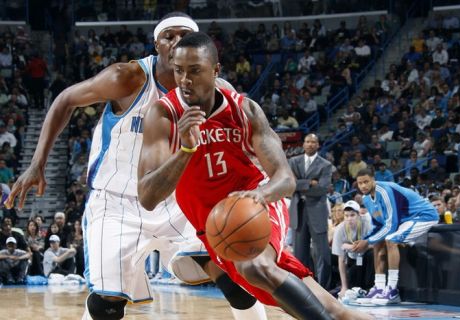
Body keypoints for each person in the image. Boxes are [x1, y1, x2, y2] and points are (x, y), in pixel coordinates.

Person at [5, 12, 266, 320]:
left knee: (234, 279)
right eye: (169, 36)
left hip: (176, 200)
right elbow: (65, 100)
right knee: (106, 304)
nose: (177, 42)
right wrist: (37, 163)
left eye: (185, 36)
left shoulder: (215, 90)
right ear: (156, 44)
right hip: (116, 202)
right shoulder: (127, 78)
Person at [138, 31, 372, 320]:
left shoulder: (244, 110)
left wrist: (260, 196)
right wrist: (186, 148)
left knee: (253, 266)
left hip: (256, 203)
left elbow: (285, 179)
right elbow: (147, 197)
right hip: (215, 227)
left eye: (194, 71)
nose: (184, 80)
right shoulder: (163, 115)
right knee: (330, 308)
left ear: (215, 71)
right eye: (178, 71)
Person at [352, 168, 438, 304]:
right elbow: (379, 225)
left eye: (366, 182)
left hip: (423, 215)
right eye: (360, 183)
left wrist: (366, 241)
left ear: (373, 180)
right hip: (406, 220)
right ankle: (379, 287)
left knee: (391, 239)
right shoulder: (366, 198)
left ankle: (392, 290)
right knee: (377, 241)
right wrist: (368, 240)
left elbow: (392, 224)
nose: (363, 186)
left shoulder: (385, 191)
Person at [288, 133, 333, 288]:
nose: (310, 144)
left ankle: (323, 288)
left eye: (314, 142)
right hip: (298, 212)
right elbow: (289, 186)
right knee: (299, 255)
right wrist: (310, 183)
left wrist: (299, 185)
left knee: (323, 254)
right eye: (307, 141)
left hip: (317, 212)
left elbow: (323, 188)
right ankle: (301, 288)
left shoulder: (326, 164)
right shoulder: (293, 161)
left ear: (318, 145)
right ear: (303, 144)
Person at [331, 200, 373, 299]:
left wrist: (363, 246)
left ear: (359, 215)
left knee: (372, 254)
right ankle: (342, 287)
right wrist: (344, 287)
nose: (349, 219)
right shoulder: (340, 230)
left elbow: (377, 245)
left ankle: (371, 287)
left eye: (352, 215)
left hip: (367, 258)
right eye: (346, 216)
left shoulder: (367, 222)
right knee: (353, 286)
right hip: (352, 259)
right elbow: (341, 259)